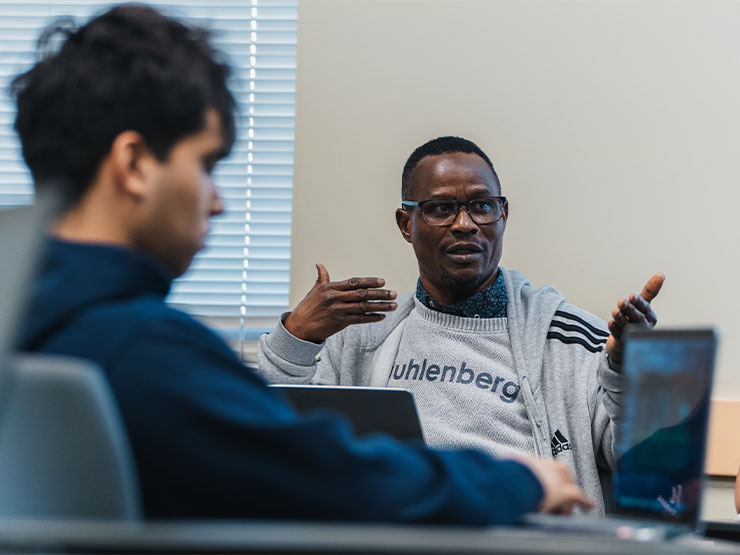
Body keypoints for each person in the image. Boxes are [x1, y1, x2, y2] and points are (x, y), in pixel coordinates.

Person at [11, 4, 590, 523]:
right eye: (206, 164)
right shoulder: (143, 351)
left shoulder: (31, 329)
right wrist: (517, 482)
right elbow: (337, 478)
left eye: (480, 208)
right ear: (134, 163)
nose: (217, 199)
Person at [257, 135, 665, 514]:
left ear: (502, 215)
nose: (465, 224)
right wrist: (296, 337)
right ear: (406, 224)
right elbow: (283, 448)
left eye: (482, 205)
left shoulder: (577, 341)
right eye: (440, 208)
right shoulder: (362, 337)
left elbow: (641, 466)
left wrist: (628, 371)